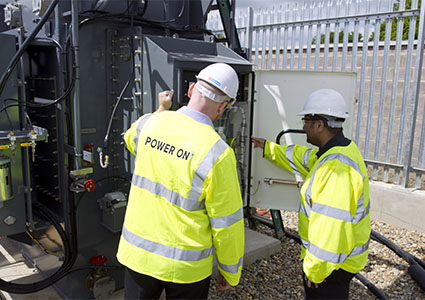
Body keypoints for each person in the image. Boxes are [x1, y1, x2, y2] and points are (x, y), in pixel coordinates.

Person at [117, 63, 245, 299]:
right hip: (186, 268)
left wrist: (160, 111)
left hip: (139, 257)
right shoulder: (218, 153)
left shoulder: (149, 124)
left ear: (191, 90)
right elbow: (227, 222)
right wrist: (230, 270)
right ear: (223, 106)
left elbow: (130, 139)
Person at [251, 89, 371, 300]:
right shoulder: (337, 151)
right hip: (337, 263)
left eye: (306, 120)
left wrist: (315, 272)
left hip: (331, 269)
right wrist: (268, 148)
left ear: (319, 125)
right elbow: (301, 158)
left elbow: (331, 229)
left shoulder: (335, 171)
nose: (303, 126)